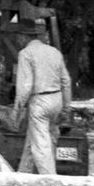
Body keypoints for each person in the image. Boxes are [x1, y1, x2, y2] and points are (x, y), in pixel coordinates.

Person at [12, 29, 72, 174]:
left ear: (24, 36)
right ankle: (23, 177)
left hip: (40, 101)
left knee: (41, 145)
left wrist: (17, 108)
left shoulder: (26, 53)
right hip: (56, 99)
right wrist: (67, 108)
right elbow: (66, 81)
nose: (17, 40)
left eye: (18, 37)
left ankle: (50, 181)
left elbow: (26, 86)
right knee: (41, 139)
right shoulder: (54, 52)